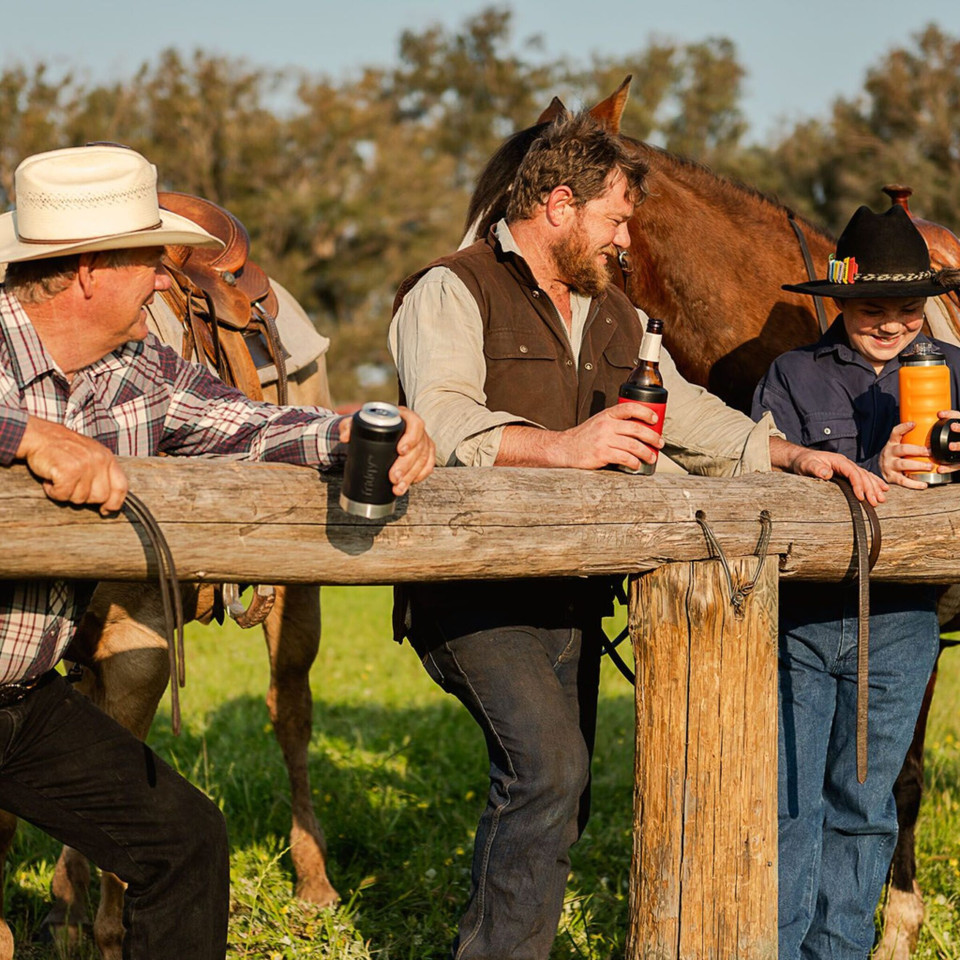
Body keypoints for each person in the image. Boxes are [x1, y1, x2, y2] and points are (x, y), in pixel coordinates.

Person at [387, 112, 884, 960]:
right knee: (550, 772)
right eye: (615, 219)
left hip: (571, 592)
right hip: (469, 589)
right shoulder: (451, 289)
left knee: (561, 795)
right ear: (558, 206)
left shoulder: (615, 312)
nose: (625, 239)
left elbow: (686, 415)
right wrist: (568, 448)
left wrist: (788, 453)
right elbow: (440, 418)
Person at [0, 144, 434, 960]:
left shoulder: (137, 369)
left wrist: (351, 432)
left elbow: (252, 424)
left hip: (18, 697)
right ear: (88, 269)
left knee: (187, 839)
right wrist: (25, 434)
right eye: (147, 261)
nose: (167, 280)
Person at [751, 203, 960, 960]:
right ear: (840, 303)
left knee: (867, 804)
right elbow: (763, 489)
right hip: (803, 620)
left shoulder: (956, 370)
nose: (891, 325)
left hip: (904, 620)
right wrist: (872, 473)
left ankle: (836, 950)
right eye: (872, 309)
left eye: (908, 310)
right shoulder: (793, 375)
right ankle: (775, 947)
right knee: (791, 800)